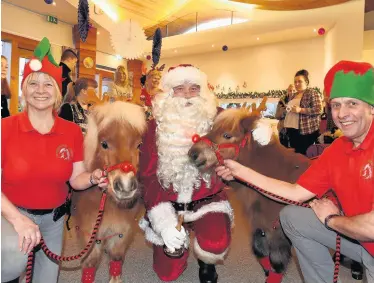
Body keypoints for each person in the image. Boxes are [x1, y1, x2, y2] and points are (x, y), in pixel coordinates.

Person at [216, 60, 374, 283]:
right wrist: (241, 172)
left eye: (352, 104)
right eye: (336, 105)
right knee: (292, 216)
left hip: (367, 234)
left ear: (372, 107)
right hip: (359, 240)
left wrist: (331, 219)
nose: (342, 113)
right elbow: (294, 192)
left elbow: (371, 227)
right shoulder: (339, 149)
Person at [1, 37, 108, 283]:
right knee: (11, 262)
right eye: (33, 83)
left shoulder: (70, 131)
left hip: (54, 220)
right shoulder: (4, 127)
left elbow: (76, 178)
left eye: (48, 84)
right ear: (24, 89)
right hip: (10, 215)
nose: (40, 90)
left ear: (58, 92)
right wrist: (19, 221)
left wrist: (93, 177)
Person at [139, 64, 233, 283]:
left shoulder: (217, 119)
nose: (188, 94)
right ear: (169, 93)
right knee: (167, 273)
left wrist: (260, 127)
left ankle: (206, 261)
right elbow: (148, 177)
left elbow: (241, 127)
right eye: (180, 88)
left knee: (215, 242)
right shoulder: (154, 128)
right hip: (168, 202)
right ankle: (174, 239)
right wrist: (164, 224)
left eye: (194, 88)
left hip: (207, 199)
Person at [285, 69, 323, 155]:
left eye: (299, 81)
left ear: (306, 82)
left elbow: (318, 109)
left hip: (305, 131)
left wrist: (300, 110)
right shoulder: (294, 95)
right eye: (295, 82)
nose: (297, 84)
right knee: (295, 154)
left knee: (304, 155)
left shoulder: (312, 93)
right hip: (292, 129)